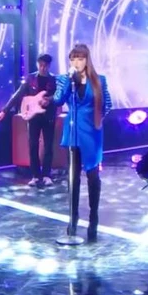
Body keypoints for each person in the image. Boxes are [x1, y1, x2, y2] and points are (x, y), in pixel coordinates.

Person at [35, 44, 112, 242]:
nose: (76, 62)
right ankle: (73, 217)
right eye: (73, 59)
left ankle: (93, 217)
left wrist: (96, 120)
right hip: (73, 131)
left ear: (87, 60)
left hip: (92, 132)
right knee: (73, 176)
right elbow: (58, 100)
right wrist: (68, 81)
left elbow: (108, 105)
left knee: (93, 175)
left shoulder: (99, 80)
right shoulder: (64, 79)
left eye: (80, 58)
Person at [0, 53, 58, 188]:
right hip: (33, 116)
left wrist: (50, 100)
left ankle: (46, 175)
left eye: (45, 66)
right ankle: (35, 175)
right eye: (40, 65)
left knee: (48, 146)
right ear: (37, 64)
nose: (42, 68)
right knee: (33, 145)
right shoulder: (30, 79)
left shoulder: (54, 80)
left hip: (48, 116)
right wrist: (4, 111)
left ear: (49, 66)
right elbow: (17, 95)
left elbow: (59, 97)